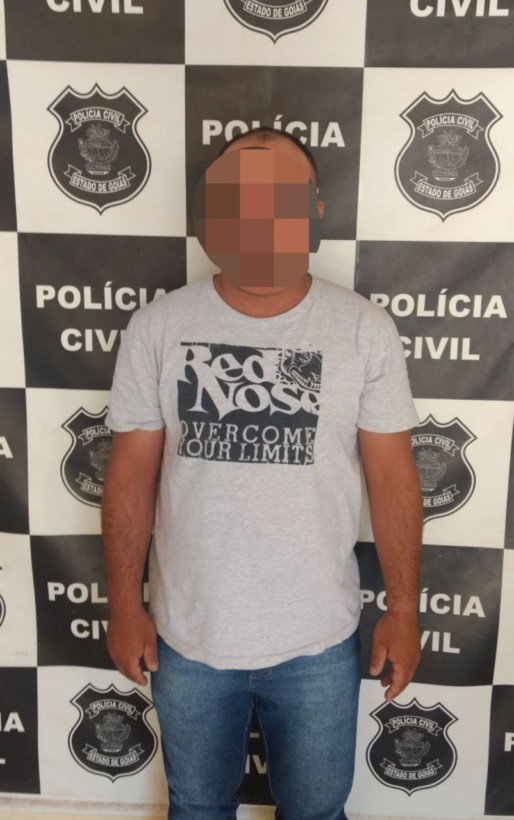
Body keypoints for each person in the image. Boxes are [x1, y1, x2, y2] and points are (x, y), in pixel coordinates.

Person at [102, 126, 423, 820]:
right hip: (188, 636)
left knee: (316, 812)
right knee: (196, 809)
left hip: (318, 642)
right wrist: (125, 605)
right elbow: (129, 477)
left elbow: (394, 478)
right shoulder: (157, 327)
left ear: (314, 211)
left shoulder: (363, 329)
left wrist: (403, 608)